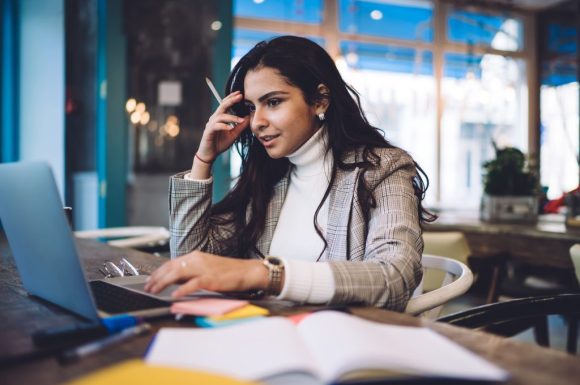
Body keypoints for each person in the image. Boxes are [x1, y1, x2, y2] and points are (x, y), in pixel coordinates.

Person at [144, 35, 435, 310]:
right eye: (250, 107)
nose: (257, 122)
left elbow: (394, 278)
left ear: (320, 100)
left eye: (273, 102)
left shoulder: (383, 168)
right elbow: (187, 261)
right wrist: (203, 159)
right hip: (269, 334)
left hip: (346, 343)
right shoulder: (269, 179)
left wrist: (265, 274)